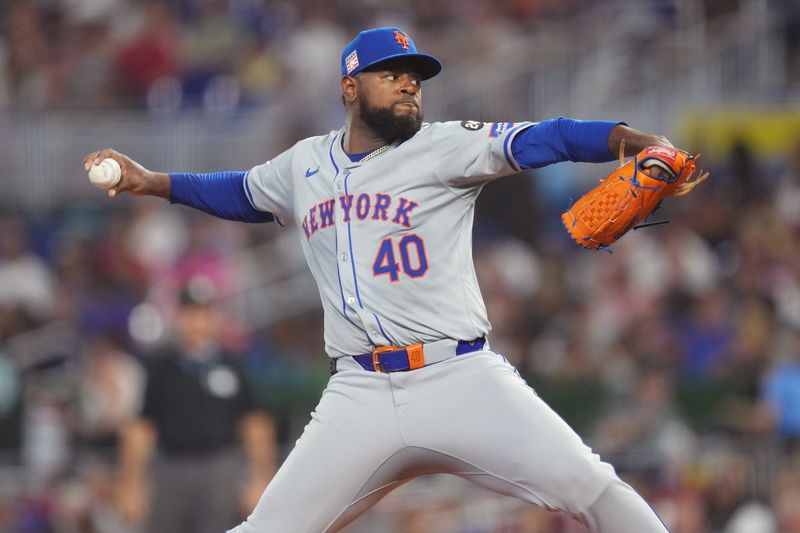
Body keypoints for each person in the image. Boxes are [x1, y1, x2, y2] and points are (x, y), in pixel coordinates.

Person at [86, 26, 676, 533]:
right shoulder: (304, 163)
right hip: (359, 393)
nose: (408, 83)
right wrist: (153, 181)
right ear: (350, 87)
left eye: (414, 75)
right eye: (390, 73)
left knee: (594, 489)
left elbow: (547, 136)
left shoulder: (446, 146)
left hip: (459, 376)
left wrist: (630, 140)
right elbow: (241, 192)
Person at [116, 278, 276, 533]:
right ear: (178, 316)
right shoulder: (161, 366)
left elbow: (255, 424)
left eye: (205, 313)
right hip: (170, 468)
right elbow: (141, 428)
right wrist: (132, 483)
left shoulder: (232, 365)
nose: (198, 321)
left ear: (216, 317)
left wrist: (259, 478)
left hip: (220, 467)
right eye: (191, 313)